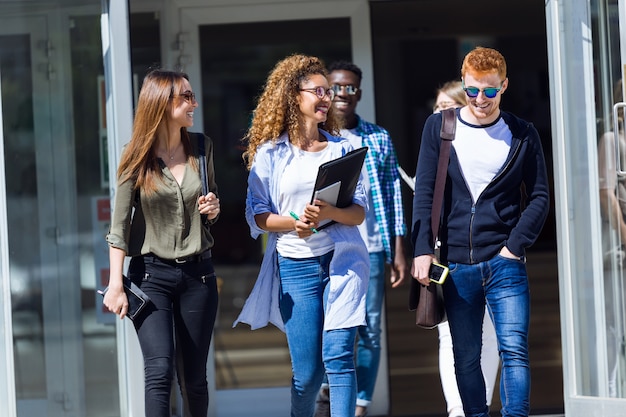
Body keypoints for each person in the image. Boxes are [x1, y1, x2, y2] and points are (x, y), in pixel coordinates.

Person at [410, 47, 550, 417]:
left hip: (505, 263)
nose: (481, 99)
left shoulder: (521, 134)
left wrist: (514, 247)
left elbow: (539, 197)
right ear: (464, 84)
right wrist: (422, 249)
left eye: (490, 91)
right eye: (473, 90)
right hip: (456, 264)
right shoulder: (439, 128)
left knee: (514, 349)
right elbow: (424, 193)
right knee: (466, 356)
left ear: (504, 86)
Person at [233, 54, 370, 417]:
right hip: (296, 266)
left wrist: (329, 213)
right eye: (319, 91)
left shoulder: (345, 149)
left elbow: (357, 213)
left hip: (344, 261)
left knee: (340, 358)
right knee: (308, 376)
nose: (327, 98)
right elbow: (259, 216)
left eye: (330, 91)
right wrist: (295, 222)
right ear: (294, 96)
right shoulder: (270, 154)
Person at [103, 69, 220, 417]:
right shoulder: (135, 155)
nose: (193, 103)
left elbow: (212, 209)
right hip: (150, 277)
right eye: (186, 97)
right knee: (159, 372)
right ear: (161, 102)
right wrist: (115, 285)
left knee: (194, 380)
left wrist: (213, 209)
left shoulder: (202, 147)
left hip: (198, 276)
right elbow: (119, 227)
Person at [313, 60, 408, 417]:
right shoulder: (317, 136)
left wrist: (398, 249)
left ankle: (360, 403)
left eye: (350, 88)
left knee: (369, 329)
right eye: (336, 87)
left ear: (359, 93)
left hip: (370, 249)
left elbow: (394, 196)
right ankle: (328, 394)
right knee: (328, 326)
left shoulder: (378, 137)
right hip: (325, 248)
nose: (342, 94)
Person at [431, 80, 500, 417]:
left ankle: (480, 406)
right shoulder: (435, 148)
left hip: (491, 253)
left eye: (448, 107)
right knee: (451, 337)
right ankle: (458, 409)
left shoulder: (490, 144)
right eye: (437, 108)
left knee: (490, 335)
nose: (441, 115)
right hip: (449, 256)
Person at [597, 78, 625, 397]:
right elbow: (606, 193)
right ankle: (611, 397)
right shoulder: (611, 139)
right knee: (615, 328)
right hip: (619, 250)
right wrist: (624, 233)